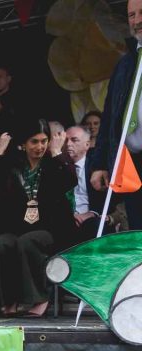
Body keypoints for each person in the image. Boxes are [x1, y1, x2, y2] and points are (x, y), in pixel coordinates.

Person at [0, 120, 76, 317]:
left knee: (28, 242)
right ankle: (9, 300)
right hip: (15, 227)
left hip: (50, 229)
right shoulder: (12, 165)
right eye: (34, 142)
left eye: (44, 141)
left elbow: (70, 181)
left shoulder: (53, 163)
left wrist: (56, 152)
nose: (39, 146)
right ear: (23, 144)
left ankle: (40, 298)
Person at [91, 0, 142, 228]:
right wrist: (100, 163)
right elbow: (110, 117)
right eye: (132, 15)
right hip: (132, 161)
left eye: (141, 13)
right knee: (138, 232)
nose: (136, 21)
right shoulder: (124, 64)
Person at [66, 125, 104, 244]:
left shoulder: (97, 167)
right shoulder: (58, 166)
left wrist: (92, 213)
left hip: (90, 220)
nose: (68, 144)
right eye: (65, 140)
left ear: (87, 145)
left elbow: (107, 201)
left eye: (74, 140)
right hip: (64, 219)